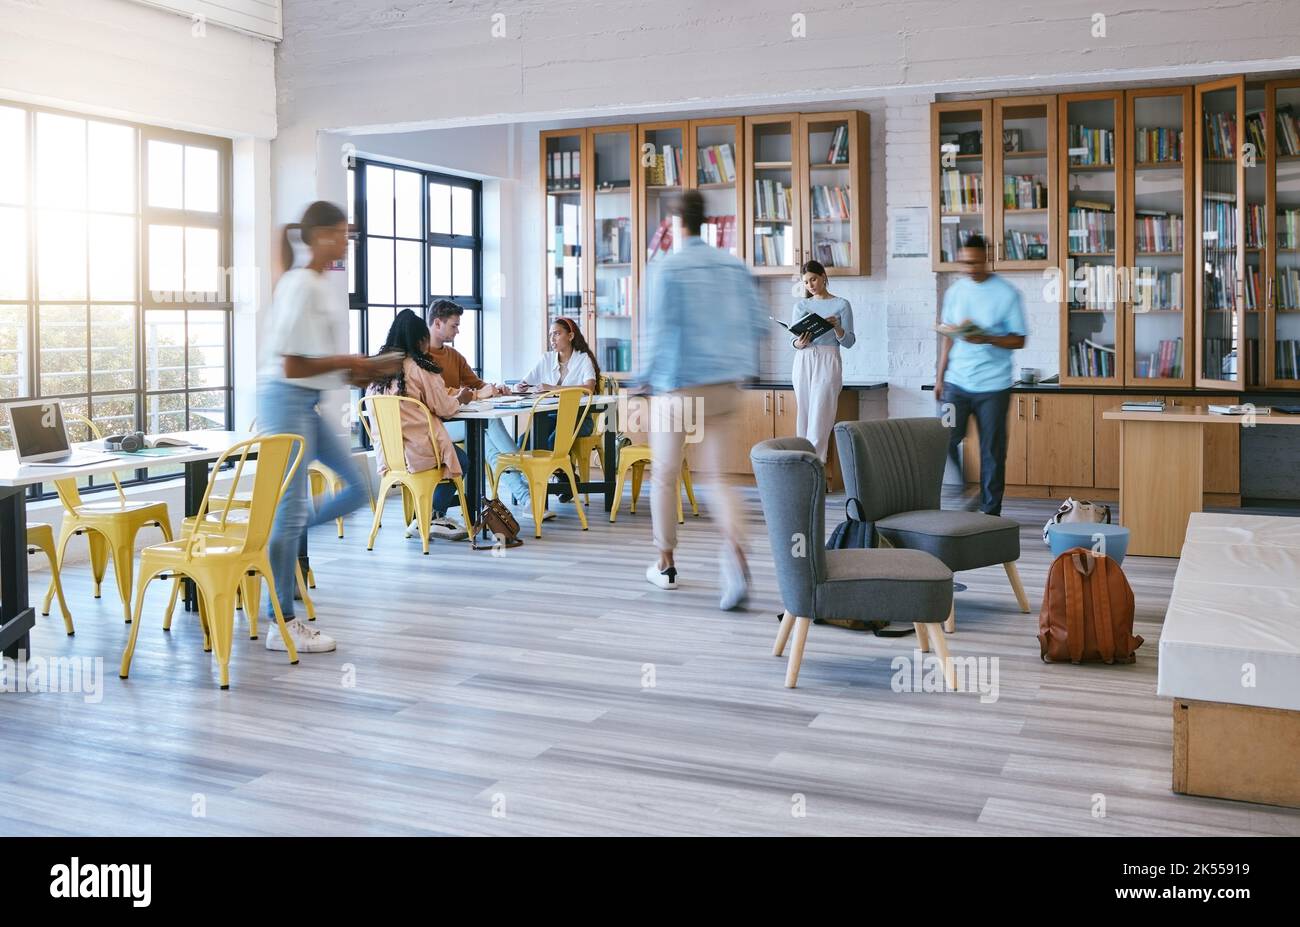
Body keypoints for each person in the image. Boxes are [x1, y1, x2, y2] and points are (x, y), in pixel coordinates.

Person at [258, 200, 403, 653]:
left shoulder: (316, 284)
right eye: (342, 234)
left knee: (359, 489)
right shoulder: (301, 284)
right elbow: (292, 365)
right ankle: (281, 622)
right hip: (285, 400)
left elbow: (312, 364)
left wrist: (356, 372)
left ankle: (274, 537)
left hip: (306, 402)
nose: (346, 242)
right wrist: (348, 362)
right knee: (289, 511)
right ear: (321, 236)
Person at [640, 189, 763, 609]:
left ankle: (666, 564)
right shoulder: (733, 266)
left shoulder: (667, 268)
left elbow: (659, 330)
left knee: (665, 474)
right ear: (706, 221)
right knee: (717, 479)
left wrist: (641, 378)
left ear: (677, 223)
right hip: (726, 384)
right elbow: (757, 325)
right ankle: (735, 558)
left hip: (679, 386)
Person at [934, 234, 1027, 516]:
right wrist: (940, 377)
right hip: (956, 384)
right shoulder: (954, 292)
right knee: (942, 439)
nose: (970, 268)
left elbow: (1019, 339)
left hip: (993, 387)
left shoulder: (1007, 293)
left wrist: (987, 337)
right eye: (965, 263)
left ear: (987, 259)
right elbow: (948, 337)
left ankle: (990, 511)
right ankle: (965, 486)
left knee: (992, 452)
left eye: (975, 262)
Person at [366, 309, 476, 541]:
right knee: (461, 460)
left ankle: (425, 517)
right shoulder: (420, 368)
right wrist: (461, 399)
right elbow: (444, 408)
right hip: (420, 450)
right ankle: (433, 516)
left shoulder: (377, 371)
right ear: (419, 340)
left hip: (390, 454)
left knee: (453, 456)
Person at [515, 316, 600, 483]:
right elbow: (525, 381)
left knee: (553, 441)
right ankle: (566, 479)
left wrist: (553, 388)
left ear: (570, 336)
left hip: (579, 418)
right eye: (550, 334)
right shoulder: (546, 359)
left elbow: (589, 388)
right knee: (524, 440)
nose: (552, 339)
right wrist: (520, 386)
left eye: (557, 333)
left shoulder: (583, 359)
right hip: (551, 417)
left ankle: (559, 480)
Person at [790, 259, 856, 463]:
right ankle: (802, 463)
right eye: (806, 282)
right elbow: (792, 341)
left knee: (821, 415)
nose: (810, 285)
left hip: (829, 358)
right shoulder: (801, 305)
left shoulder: (842, 304)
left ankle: (815, 464)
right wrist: (799, 343)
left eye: (813, 279)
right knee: (803, 414)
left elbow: (849, 342)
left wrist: (837, 328)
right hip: (804, 359)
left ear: (823, 277)